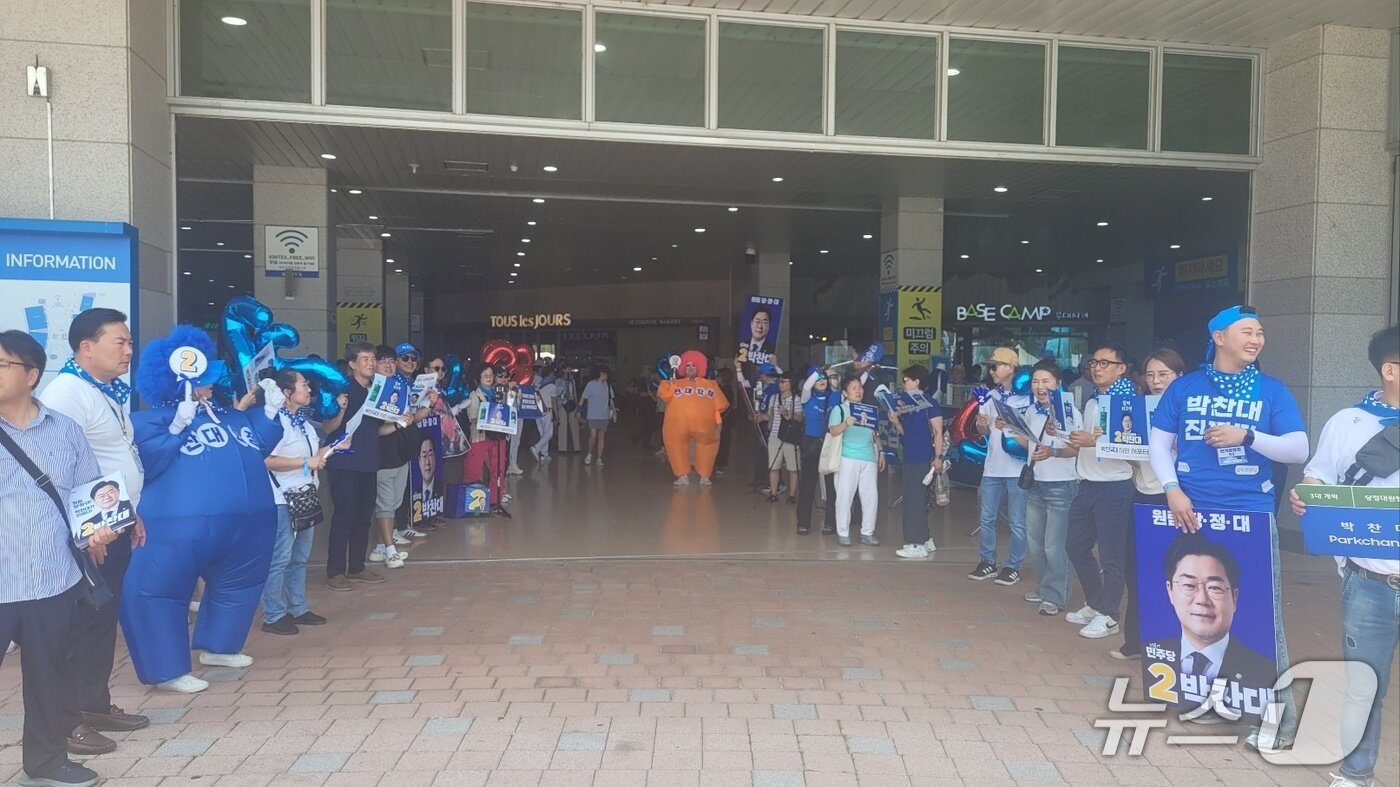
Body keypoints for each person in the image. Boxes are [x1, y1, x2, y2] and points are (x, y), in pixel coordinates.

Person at [1148, 305, 1309, 750]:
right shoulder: (1184, 388)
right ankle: (1213, 697)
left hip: (1251, 515)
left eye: (1260, 332)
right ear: (1218, 337)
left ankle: (1280, 720)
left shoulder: (1272, 391)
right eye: (1246, 331)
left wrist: (1248, 437)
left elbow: (1298, 448)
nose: (1256, 339)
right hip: (1192, 512)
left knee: (1261, 614)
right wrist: (1171, 489)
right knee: (1192, 607)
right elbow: (1159, 443)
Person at [122, 325, 285, 694]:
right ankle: (165, 669)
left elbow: (257, 443)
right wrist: (177, 426)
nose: (211, 384)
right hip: (174, 528)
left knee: (239, 584)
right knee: (159, 590)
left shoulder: (229, 415)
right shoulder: (145, 421)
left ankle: (222, 645)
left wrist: (271, 412)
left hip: (248, 526)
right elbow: (147, 461)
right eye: (203, 379)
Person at [36, 308, 151, 755]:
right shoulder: (67, 392)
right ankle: (67, 721)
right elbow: (59, 470)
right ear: (86, 347)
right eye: (119, 342)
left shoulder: (101, 390)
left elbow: (111, 458)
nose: (128, 349)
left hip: (114, 524)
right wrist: (89, 532)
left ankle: (94, 704)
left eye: (128, 341)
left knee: (101, 621)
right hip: (90, 536)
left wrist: (130, 512)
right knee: (78, 627)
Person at [0, 330, 110, 787]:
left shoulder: (64, 431)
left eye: (2, 364)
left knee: (49, 678)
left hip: (53, 580)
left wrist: (101, 528)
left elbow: (93, 494)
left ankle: (45, 764)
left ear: (31, 375)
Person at [1289, 325, 1398, 787]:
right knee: (1363, 687)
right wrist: (1305, 498)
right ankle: (1356, 773)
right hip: (1370, 583)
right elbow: (1317, 478)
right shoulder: (1348, 422)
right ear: (1391, 370)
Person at [1113, 348, 1186, 660]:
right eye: (1151, 375)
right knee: (1136, 570)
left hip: (1174, 500)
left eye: (1164, 375)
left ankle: (1168, 643)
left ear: (1179, 377)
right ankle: (1136, 642)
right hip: (1142, 495)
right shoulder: (1139, 410)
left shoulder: (1189, 411)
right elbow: (1135, 460)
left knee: (1171, 573)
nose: (1156, 381)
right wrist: (1115, 440)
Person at [1063, 342, 1138, 639]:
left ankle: (1110, 615)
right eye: (1094, 362)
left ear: (1121, 369)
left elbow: (1133, 445)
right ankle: (1095, 603)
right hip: (1087, 484)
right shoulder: (1094, 401)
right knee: (1075, 546)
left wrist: (1094, 442)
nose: (1097, 367)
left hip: (1114, 488)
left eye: (1105, 363)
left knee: (1112, 556)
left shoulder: (1129, 402)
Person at [1144, 534, 1276, 691]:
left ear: (1234, 597)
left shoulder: (1264, 671)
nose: (1202, 599)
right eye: (1189, 585)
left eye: (1214, 588)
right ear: (1170, 591)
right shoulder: (1153, 654)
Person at [260, 369, 332, 636]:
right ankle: (273, 614)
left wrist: (325, 452)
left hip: (305, 495)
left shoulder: (303, 421)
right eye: (303, 385)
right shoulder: (275, 422)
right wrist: (305, 462)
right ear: (287, 392)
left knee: (299, 557)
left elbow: (311, 455)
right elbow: (266, 460)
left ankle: (298, 607)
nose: (309, 389)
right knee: (280, 558)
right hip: (283, 500)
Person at [323, 341, 395, 592]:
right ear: (352, 364)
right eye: (365, 359)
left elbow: (378, 430)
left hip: (368, 462)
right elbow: (329, 428)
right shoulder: (341, 390)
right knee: (343, 516)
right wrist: (341, 409)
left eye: (373, 358)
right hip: (344, 463)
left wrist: (400, 423)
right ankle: (335, 571)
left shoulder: (377, 391)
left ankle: (356, 566)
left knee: (363, 517)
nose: (371, 363)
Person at [1010, 360, 1080, 615]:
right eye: (1036, 382)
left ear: (1058, 384)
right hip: (1035, 484)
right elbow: (1029, 443)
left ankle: (1055, 596)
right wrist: (1009, 428)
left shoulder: (1069, 413)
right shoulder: (1033, 411)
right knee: (1036, 543)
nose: (1040, 387)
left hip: (1061, 486)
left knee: (1054, 545)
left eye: (1046, 381)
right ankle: (1044, 587)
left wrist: (1053, 452)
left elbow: (1076, 449)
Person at [968, 347, 1031, 585]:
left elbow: (1032, 432)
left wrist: (1011, 426)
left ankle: (1014, 565)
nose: (992, 371)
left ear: (1011, 368)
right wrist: (982, 423)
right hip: (992, 466)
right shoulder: (990, 396)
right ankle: (987, 561)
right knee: (987, 517)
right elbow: (983, 431)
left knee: (1017, 521)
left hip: (1016, 468)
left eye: (995, 366)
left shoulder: (1027, 398)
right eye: (990, 367)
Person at [370, 345, 419, 567]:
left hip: (401, 452)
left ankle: (380, 547)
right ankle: (390, 550)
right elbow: (375, 430)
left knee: (395, 501)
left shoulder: (400, 387)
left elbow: (409, 417)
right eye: (384, 361)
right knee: (386, 504)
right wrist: (398, 423)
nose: (389, 365)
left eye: (391, 361)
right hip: (382, 456)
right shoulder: (370, 390)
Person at [890, 364, 944, 559]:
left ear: (917, 382)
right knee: (914, 498)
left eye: (906, 380)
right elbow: (906, 433)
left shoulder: (930, 404)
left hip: (923, 457)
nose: (904, 383)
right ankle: (926, 539)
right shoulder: (905, 406)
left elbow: (938, 432)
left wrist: (938, 457)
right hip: (910, 455)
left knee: (915, 500)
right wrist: (896, 422)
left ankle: (916, 543)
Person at [829, 374, 885, 547]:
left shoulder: (868, 409)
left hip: (868, 457)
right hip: (848, 457)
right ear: (845, 393)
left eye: (859, 387)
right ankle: (843, 532)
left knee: (870, 497)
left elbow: (875, 434)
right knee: (845, 496)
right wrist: (846, 423)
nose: (858, 391)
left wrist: (881, 452)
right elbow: (833, 430)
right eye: (853, 388)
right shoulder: (839, 409)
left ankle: (867, 532)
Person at [658, 351, 730, 486]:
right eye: (687, 365)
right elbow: (665, 394)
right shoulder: (674, 383)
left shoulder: (711, 385)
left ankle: (705, 475)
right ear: (682, 368)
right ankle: (682, 475)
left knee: (708, 447)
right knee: (676, 447)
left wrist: (718, 425)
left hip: (705, 426)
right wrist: (672, 378)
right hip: (677, 426)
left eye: (693, 365)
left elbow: (719, 406)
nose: (690, 368)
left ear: (699, 367)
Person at [455, 363, 511, 517]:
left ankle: (495, 499)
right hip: (480, 435)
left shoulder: (500, 392)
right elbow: (472, 417)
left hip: (498, 436)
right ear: (478, 378)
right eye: (485, 375)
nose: (489, 378)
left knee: (498, 467)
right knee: (474, 467)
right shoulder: (474, 395)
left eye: (491, 375)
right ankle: (471, 503)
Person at [797, 367, 840, 536]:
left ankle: (830, 523)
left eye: (824, 378)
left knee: (831, 486)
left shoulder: (834, 396)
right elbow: (807, 386)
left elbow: (838, 384)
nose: (821, 380)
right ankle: (803, 523)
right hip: (811, 443)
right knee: (808, 484)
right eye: (818, 378)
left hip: (830, 442)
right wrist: (818, 371)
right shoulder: (808, 397)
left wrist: (830, 374)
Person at [760, 372, 801, 503]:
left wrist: (788, 414)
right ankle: (773, 493)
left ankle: (792, 495)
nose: (781, 384)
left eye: (784, 382)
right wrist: (760, 417)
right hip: (774, 435)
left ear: (790, 384)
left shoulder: (796, 399)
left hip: (790, 436)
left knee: (793, 468)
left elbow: (800, 418)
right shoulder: (773, 398)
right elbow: (769, 416)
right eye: (780, 382)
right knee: (773, 466)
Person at [581, 367, 615, 466]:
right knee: (593, 435)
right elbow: (583, 397)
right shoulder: (591, 384)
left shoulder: (608, 386)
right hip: (592, 414)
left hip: (604, 415)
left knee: (601, 436)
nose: (607, 376)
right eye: (606, 374)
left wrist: (614, 409)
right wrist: (579, 409)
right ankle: (589, 453)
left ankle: (599, 458)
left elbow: (611, 398)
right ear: (601, 373)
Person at [715, 367, 737, 476]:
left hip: (725, 419)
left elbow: (728, 406)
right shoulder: (717, 388)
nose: (716, 379)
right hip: (715, 419)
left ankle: (721, 464)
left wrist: (721, 417)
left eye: (718, 376)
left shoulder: (728, 390)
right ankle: (713, 462)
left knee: (724, 441)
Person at [555, 366, 582, 454]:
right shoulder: (559, 381)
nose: (569, 370)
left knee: (574, 425)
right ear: (563, 370)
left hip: (572, 403)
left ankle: (577, 447)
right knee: (562, 426)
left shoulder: (572, 381)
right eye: (567, 369)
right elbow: (557, 392)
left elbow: (574, 393)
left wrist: (577, 405)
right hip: (562, 403)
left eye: (570, 369)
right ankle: (562, 448)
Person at [532, 367, 556, 462]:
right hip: (547, 411)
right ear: (550, 374)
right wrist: (556, 415)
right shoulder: (552, 386)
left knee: (543, 434)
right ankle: (536, 448)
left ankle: (544, 454)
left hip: (537, 411)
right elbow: (553, 401)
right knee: (549, 433)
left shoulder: (537, 385)